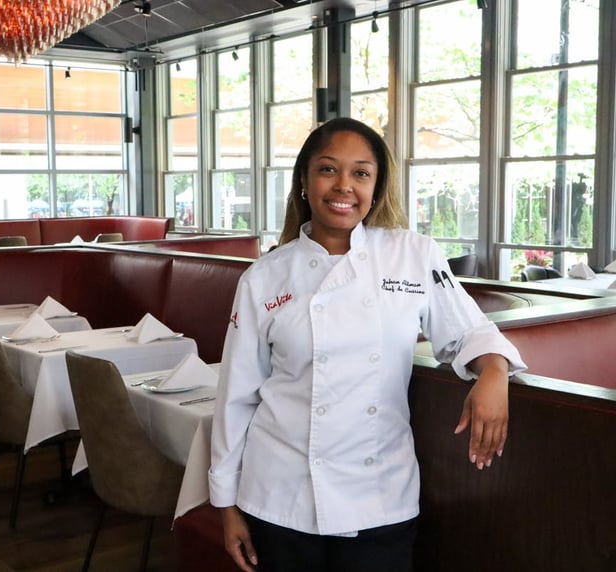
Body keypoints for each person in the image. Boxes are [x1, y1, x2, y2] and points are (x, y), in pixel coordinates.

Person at [208, 117, 526, 572]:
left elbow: (468, 330)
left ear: (376, 188)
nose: (344, 185)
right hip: (280, 495)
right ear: (304, 182)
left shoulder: (413, 254)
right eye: (328, 169)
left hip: (379, 494)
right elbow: (236, 397)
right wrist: (226, 503)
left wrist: (494, 371)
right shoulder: (264, 277)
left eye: (360, 172)